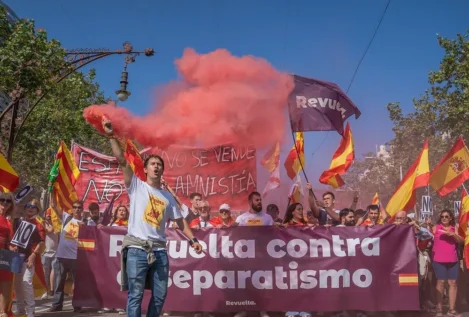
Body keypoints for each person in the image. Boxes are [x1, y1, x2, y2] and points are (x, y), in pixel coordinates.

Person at [102, 117, 202, 317]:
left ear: (162, 170)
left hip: (159, 252)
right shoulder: (136, 186)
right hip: (137, 250)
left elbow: (180, 221)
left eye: (159, 165)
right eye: (153, 164)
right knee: (136, 295)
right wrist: (111, 135)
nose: (156, 167)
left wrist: (193, 240)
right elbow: (122, 160)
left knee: (159, 296)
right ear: (145, 169)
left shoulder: (167, 197)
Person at [48, 193, 85, 313]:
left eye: (79, 207)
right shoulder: (66, 217)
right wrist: (51, 188)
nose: (77, 209)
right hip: (61, 257)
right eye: (75, 207)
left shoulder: (86, 222)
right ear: (72, 209)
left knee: (78, 283)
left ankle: (77, 305)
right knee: (59, 282)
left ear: (82, 209)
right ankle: (57, 305)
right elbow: (53, 205)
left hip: (76, 258)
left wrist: (85, 227)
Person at [11, 199, 45, 317]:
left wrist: (33, 255)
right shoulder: (17, 221)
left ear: (37, 210)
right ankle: (20, 309)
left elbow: (41, 242)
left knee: (26, 283)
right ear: (24, 208)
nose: (30, 208)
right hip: (16, 258)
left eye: (33, 207)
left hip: (29, 259)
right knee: (17, 285)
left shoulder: (38, 224)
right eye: (28, 206)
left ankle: (30, 311)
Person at [431, 209, 463, 317]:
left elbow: (461, 241)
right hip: (438, 260)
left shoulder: (455, 228)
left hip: (453, 260)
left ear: (450, 218)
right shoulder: (435, 228)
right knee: (440, 283)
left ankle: (451, 309)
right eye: (442, 217)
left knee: (453, 283)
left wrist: (454, 235)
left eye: (446, 216)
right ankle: (439, 309)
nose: (444, 218)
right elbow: (426, 237)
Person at [0, 192, 15, 317]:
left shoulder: (8, 221)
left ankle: (3, 312)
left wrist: (11, 247)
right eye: (2, 200)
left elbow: (9, 240)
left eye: (8, 201)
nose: (5, 203)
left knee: (6, 283)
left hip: (4, 255)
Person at [41, 209, 58, 300]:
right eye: (47, 214)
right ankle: (45, 290)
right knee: (45, 273)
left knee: (54, 271)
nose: (49, 216)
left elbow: (52, 230)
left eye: (50, 215)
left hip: (55, 252)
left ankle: (52, 290)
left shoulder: (56, 225)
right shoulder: (42, 224)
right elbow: (47, 230)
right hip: (45, 253)